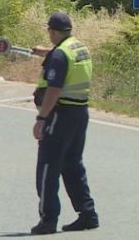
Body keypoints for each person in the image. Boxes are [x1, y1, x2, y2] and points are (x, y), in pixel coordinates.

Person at [28, 12, 99, 235]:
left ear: (53, 31)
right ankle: (88, 214)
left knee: (48, 167)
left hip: (60, 115)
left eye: (49, 31)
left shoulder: (59, 55)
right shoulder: (78, 47)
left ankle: (48, 219)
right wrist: (45, 52)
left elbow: (54, 89)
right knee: (72, 164)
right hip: (80, 113)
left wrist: (41, 119)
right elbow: (63, 57)